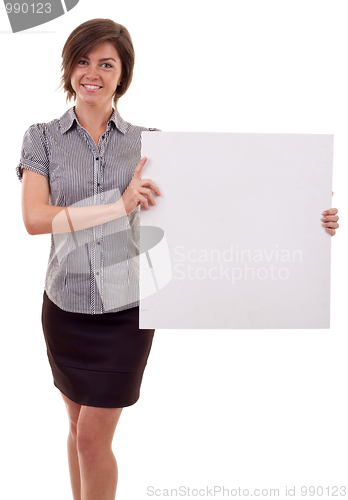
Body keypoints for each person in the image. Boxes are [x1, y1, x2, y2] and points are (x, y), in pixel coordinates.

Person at [16, 17, 340, 500]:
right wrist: (119, 206)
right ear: (69, 68)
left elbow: (221, 202)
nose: (93, 72)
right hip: (63, 309)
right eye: (83, 61)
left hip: (126, 313)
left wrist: (304, 212)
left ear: (122, 75)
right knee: (77, 428)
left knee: (90, 438)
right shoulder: (40, 138)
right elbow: (35, 218)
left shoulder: (152, 142)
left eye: (106, 63)